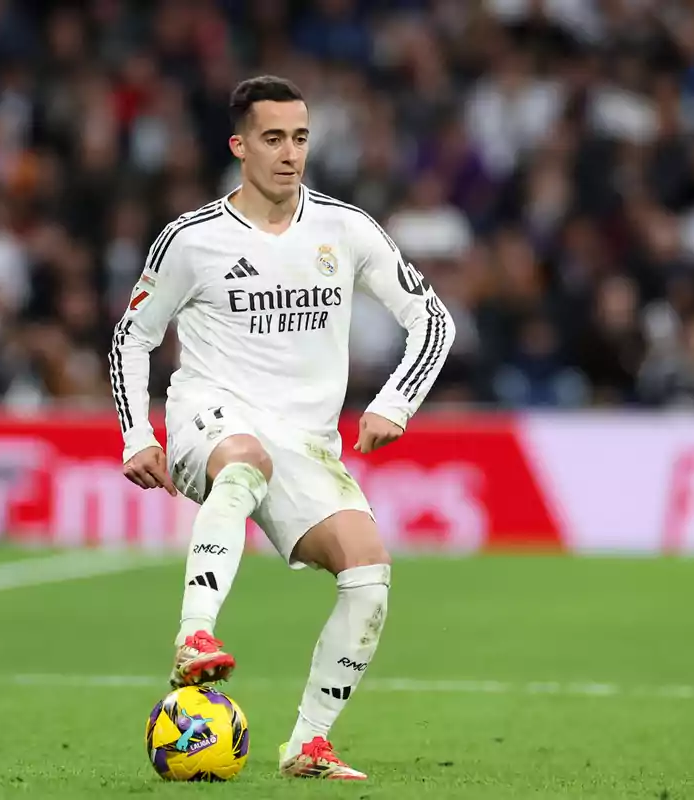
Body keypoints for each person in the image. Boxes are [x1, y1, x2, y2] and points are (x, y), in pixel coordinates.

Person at [109, 76, 455, 781]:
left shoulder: (346, 229)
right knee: (243, 462)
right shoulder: (191, 239)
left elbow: (433, 319)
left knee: (368, 571)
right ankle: (193, 635)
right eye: (273, 138)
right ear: (239, 146)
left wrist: (395, 401)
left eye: (300, 138)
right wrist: (137, 435)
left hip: (306, 441)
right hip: (212, 412)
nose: (289, 153)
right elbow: (130, 338)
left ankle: (308, 743)